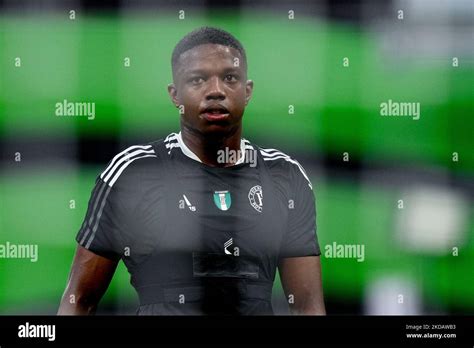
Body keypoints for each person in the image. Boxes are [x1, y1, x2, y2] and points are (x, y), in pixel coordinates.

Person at [58, 26, 325, 315]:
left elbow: (307, 305)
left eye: (230, 78)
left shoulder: (285, 176)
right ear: (175, 94)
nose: (216, 91)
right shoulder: (133, 172)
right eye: (197, 79)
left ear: (247, 91)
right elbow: (79, 299)